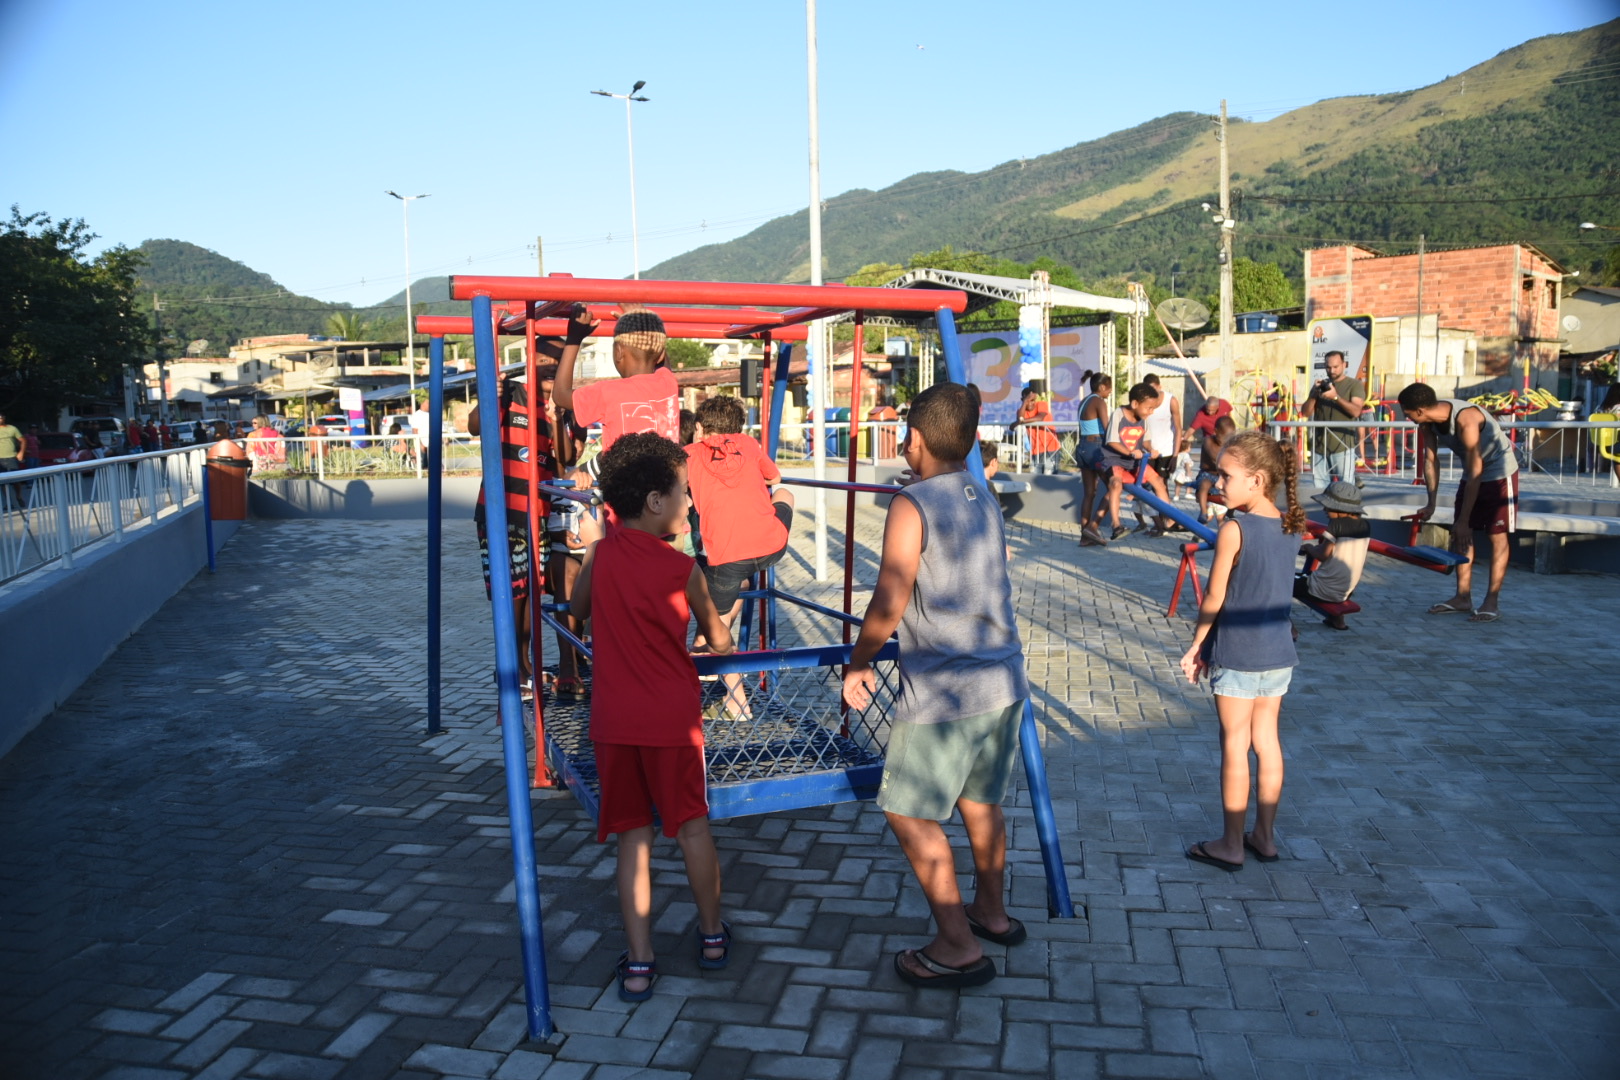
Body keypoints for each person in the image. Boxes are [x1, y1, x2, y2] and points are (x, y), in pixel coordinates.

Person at [842, 382, 1029, 990]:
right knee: (981, 803)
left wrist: (859, 661)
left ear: (914, 438)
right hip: (1002, 679)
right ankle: (991, 912)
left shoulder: (912, 503)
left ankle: (956, 944)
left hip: (946, 690)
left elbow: (890, 597)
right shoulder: (982, 493)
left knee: (907, 811)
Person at [569, 432, 735, 1003]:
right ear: (655, 501)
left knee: (632, 840)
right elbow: (718, 638)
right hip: (671, 720)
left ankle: (640, 962)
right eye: (683, 492)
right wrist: (720, 637)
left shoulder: (602, 555)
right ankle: (711, 937)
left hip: (615, 722)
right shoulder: (682, 568)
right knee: (692, 827)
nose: (689, 502)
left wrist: (593, 552)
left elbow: (578, 609)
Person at [1179, 431, 1305, 871]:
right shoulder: (1291, 524)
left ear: (1256, 480)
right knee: (1267, 743)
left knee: (1235, 745)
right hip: (1278, 653)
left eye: (1226, 476)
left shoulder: (1234, 528)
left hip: (1238, 653)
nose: (1218, 483)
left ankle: (1231, 844)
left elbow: (1214, 596)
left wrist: (1197, 644)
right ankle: (1264, 837)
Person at [685, 395, 795, 720]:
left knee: (716, 632)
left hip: (728, 557)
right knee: (785, 494)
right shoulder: (748, 444)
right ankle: (703, 652)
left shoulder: (689, 454)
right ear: (739, 428)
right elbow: (775, 479)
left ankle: (736, 703)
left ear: (700, 428)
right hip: (772, 545)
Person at [1397, 382, 1519, 623]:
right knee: (1461, 535)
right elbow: (1430, 461)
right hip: (1471, 473)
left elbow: (1477, 470)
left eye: (1407, 413)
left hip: (1499, 473)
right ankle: (1463, 597)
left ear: (1420, 410)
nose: (1406, 418)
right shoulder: (1427, 422)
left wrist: (1464, 520)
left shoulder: (1467, 419)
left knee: (1496, 535)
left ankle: (1491, 601)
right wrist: (1431, 503)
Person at [468, 372, 557, 699]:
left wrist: (560, 418)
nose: (552, 369)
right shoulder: (512, 392)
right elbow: (475, 426)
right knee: (512, 593)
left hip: (537, 511)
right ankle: (512, 668)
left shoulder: (559, 405)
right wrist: (488, 395)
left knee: (531, 591)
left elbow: (564, 458)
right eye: (546, 360)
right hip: (502, 510)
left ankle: (524, 662)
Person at [1095, 383, 1172, 540]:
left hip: (1134, 460)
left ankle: (1169, 518)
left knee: (1158, 481)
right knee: (1115, 484)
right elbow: (1112, 441)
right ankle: (1116, 525)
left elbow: (1146, 441)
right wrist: (1130, 452)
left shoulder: (1143, 418)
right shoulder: (1119, 414)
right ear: (1135, 404)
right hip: (1115, 459)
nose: (1151, 412)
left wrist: (1151, 450)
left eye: (1153, 409)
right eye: (1149, 408)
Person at [1296, 480, 1371, 631]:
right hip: (1346, 591)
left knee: (1283, 581)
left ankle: (1283, 623)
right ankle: (1338, 621)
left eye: (1327, 506)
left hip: (1321, 589)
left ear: (1339, 508)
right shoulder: (1365, 525)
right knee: (1331, 578)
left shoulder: (1336, 525)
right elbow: (1338, 551)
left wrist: (1309, 547)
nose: (1324, 509)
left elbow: (1322, 555)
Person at [1301, 351, 1365, 488]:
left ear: (1344, 364)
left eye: (1336, 367)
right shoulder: (1321, 386)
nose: (1332, 371)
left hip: (1342, 446)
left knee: (1345, 489)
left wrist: (1336, 397)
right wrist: (1314, 395)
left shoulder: (1354, 385)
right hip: (1319, 447)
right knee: (1320, 489)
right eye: (1328, 367)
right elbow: (1305, 413)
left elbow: (1356, 411)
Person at [1075, 373, 1111, 547]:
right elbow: (1107, 428)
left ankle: (1084, 536)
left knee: (1089, 493)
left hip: (1082, 447)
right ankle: (1093, 527)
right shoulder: (1099, 401)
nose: (1110, 392)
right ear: (1102, 387)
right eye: (1109, 388)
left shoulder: (1084, 401)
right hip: (1095, 448)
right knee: (1114, 487)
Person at [1141, 373, 1183, 489]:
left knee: (1161, 485)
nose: (1151, 393)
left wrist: (1175, 455)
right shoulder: (1143, 401)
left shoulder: (1171, 401)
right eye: (1148, 390)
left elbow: (1178, 429)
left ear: (1160, 387)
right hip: (1148, 450)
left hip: (1166, 451)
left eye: (1154, 389)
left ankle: (1164, 501)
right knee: (1144, 485)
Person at [1196, 416, 1237, 526]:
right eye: (1225, 437)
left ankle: (1231, 510)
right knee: (1204, 484)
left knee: (1235, 484)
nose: (1227, 441)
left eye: (1230, 437)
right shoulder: (1208, 441)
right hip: (1207, 473)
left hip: (1221, 475)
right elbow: (1216, 460)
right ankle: (1203, 512)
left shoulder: (1230, 445)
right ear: (1216, 431)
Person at [1014, 385, 1061, 475]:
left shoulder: (1041, 404)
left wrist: (1022, 421)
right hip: (1035, 450)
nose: (1030, 403)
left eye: (1032, 400)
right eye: (1027, 400)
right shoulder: (1021, 410)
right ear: (1022, 400)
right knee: (1035, 478)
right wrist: (1025, 402)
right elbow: (1019, 417)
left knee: (1049, 478)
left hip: (1051, 449)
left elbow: (1040, 417)